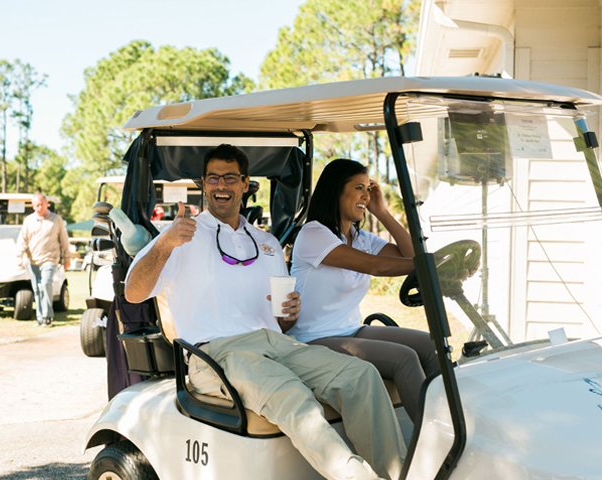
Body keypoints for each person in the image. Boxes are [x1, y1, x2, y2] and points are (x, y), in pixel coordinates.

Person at [125, 145, 406, 480]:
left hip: (276, 344)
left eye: (230, 178)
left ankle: (397, 474)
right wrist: (164, 244)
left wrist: (289, 314)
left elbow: (282, 320)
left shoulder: (267, 243)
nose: (221, 185)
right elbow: (133, 293)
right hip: (216, 353)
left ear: (245, 183)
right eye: (213, 178)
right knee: (294, 396)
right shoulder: (179, 236)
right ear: (203, 183)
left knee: (362, 377)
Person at [288, 159, 440, 422]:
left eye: (368, 189)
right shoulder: (313, 234)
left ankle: (450, 417)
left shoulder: (361, 238)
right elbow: (375, 266)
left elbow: (412, 255)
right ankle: (435, 435)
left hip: (350, 329)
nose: (366, 196)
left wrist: (381, 211)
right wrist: (432, 265)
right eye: (359, 188)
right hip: (312, 339)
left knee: (430, 344)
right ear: (336, 190)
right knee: (404, 358)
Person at [16, 193, 72, 327]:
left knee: (46, 284)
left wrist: (67, 258)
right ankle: (40, 317)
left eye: (42, 204)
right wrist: (19, 256)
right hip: (33, 261)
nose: (39, 207)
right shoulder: (29, 220)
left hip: (50, 259)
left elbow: (64, 240)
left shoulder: (56, 220)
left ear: (47, 204)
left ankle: (47, 317)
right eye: (37, 205)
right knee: (37, 289)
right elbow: (22, 240)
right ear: (33, 206)